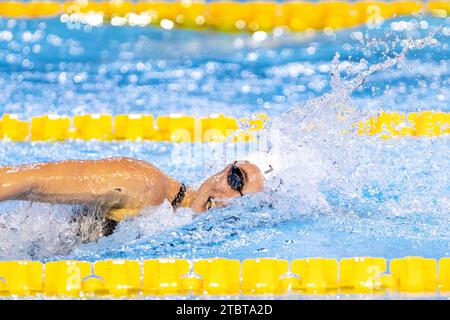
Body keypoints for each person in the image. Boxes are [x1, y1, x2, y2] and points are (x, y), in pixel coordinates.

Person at [0, 157, 264, 239]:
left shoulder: (170, 220)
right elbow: (29, 179)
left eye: (243, 205)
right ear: (221, 171)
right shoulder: (144, 184)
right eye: (236, 178)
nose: (229, 199)